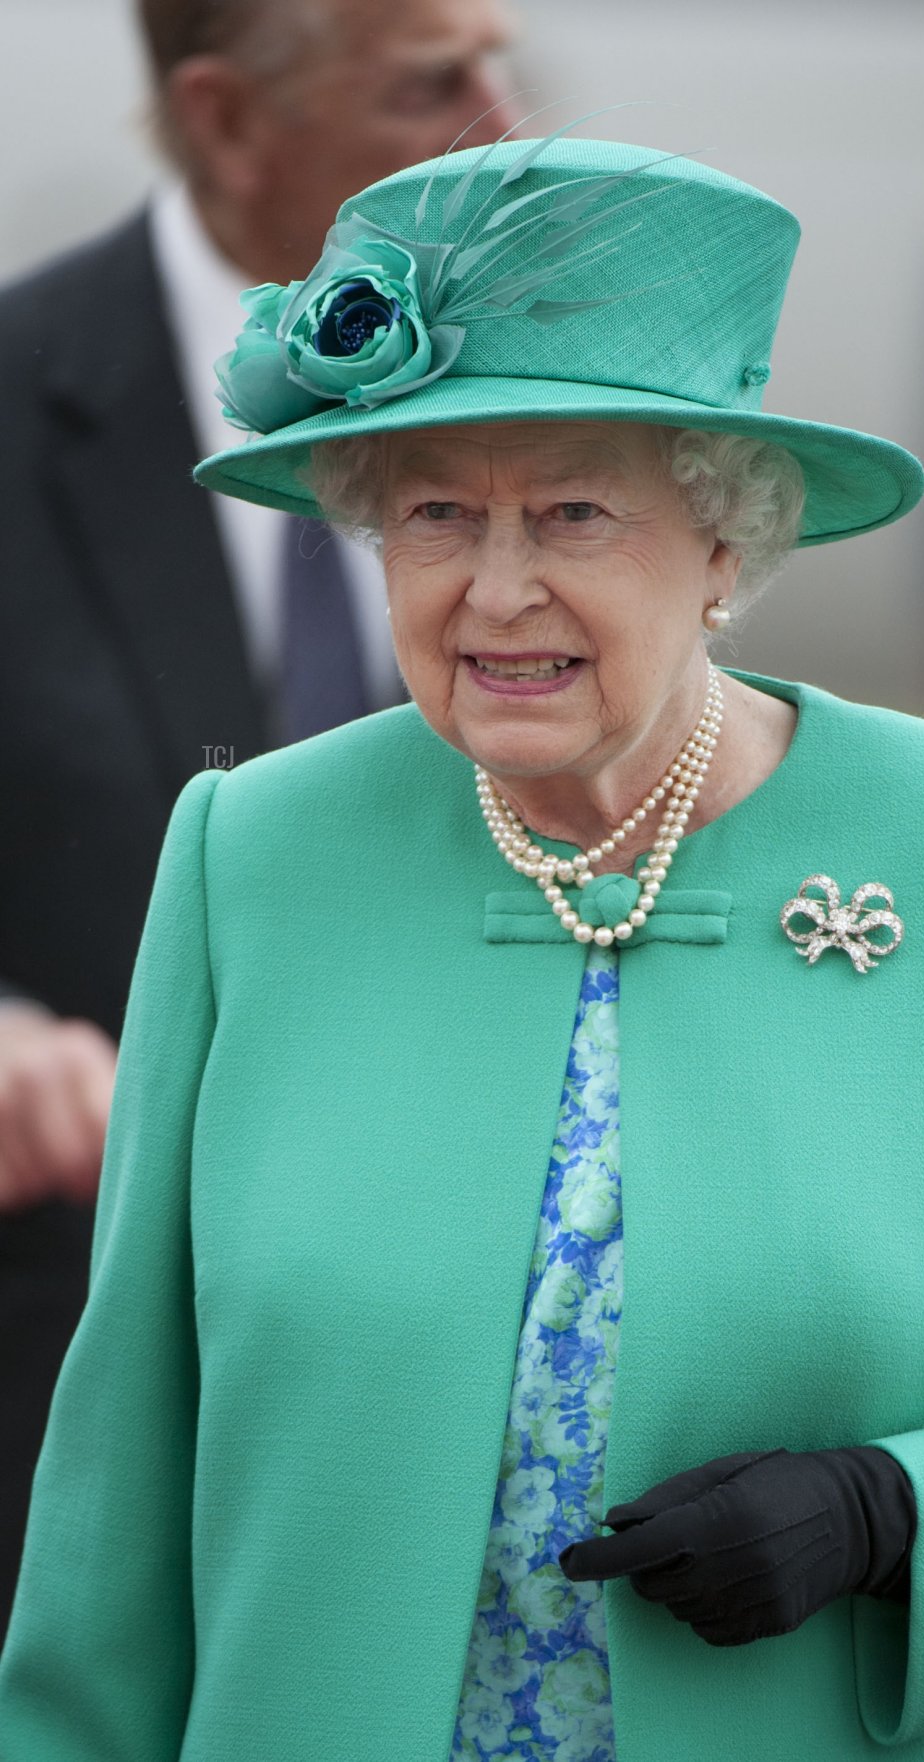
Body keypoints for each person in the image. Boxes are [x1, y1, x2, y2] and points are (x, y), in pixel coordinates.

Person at [0, 132, 924, 1762]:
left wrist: (897, 1511)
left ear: (723, 544)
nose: (497, 589)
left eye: (571, 508)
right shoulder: (249, 860)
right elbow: (117, 1487)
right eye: (434, 510)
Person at [0, 0, 516, 1639]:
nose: (501, 122)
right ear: (224, 123)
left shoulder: (572, 401)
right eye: (432, 85)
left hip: (505, 1439)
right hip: (85, 1422)